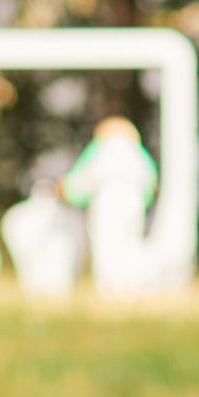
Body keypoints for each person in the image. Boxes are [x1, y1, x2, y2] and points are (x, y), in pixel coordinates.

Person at [58, 117, 161, 291]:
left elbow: (84, 179)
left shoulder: (100, 149)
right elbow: (151, 183)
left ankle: (109, 286)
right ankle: (134, 284)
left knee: (106, 243)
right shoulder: (138, 154)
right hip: (134, 202)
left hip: (106, 200)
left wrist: (67, 190)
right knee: (131, 242)